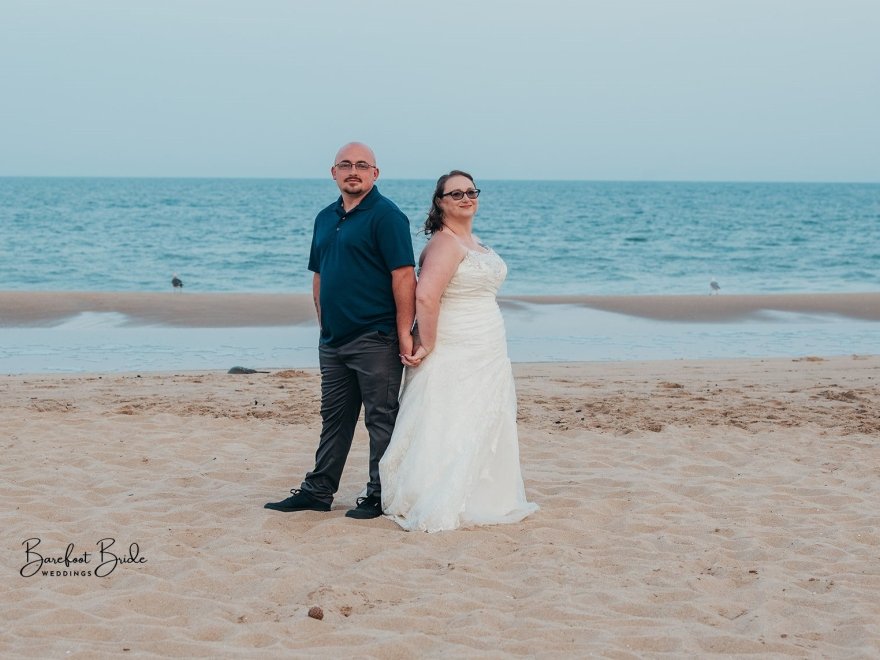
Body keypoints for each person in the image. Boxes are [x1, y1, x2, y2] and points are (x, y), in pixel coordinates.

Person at [379, 170, 538, 532]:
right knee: (449, 412)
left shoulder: (473, 241)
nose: (466, 198)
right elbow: (425, 295)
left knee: (480, 412)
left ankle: (487, 494)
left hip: (486, 341)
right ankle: (437, 491)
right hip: (454, 342)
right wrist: (428, 342)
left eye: (471, 191)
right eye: (455, 194)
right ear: (440, 202)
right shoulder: (445, 243)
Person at [265, 142, 416, 519]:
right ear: (333, 172)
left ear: (375, 174)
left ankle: (381, 494)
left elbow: (403, 277)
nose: (354, 171)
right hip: (333, 339)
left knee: (380, 417)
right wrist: (323, 323)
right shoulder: (324, 218)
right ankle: (318, 491)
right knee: (334, 418)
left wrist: (403, 333)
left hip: (375, 336)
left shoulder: (387, 217)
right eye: (345, 165)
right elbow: (319, 274)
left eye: (362, 165)